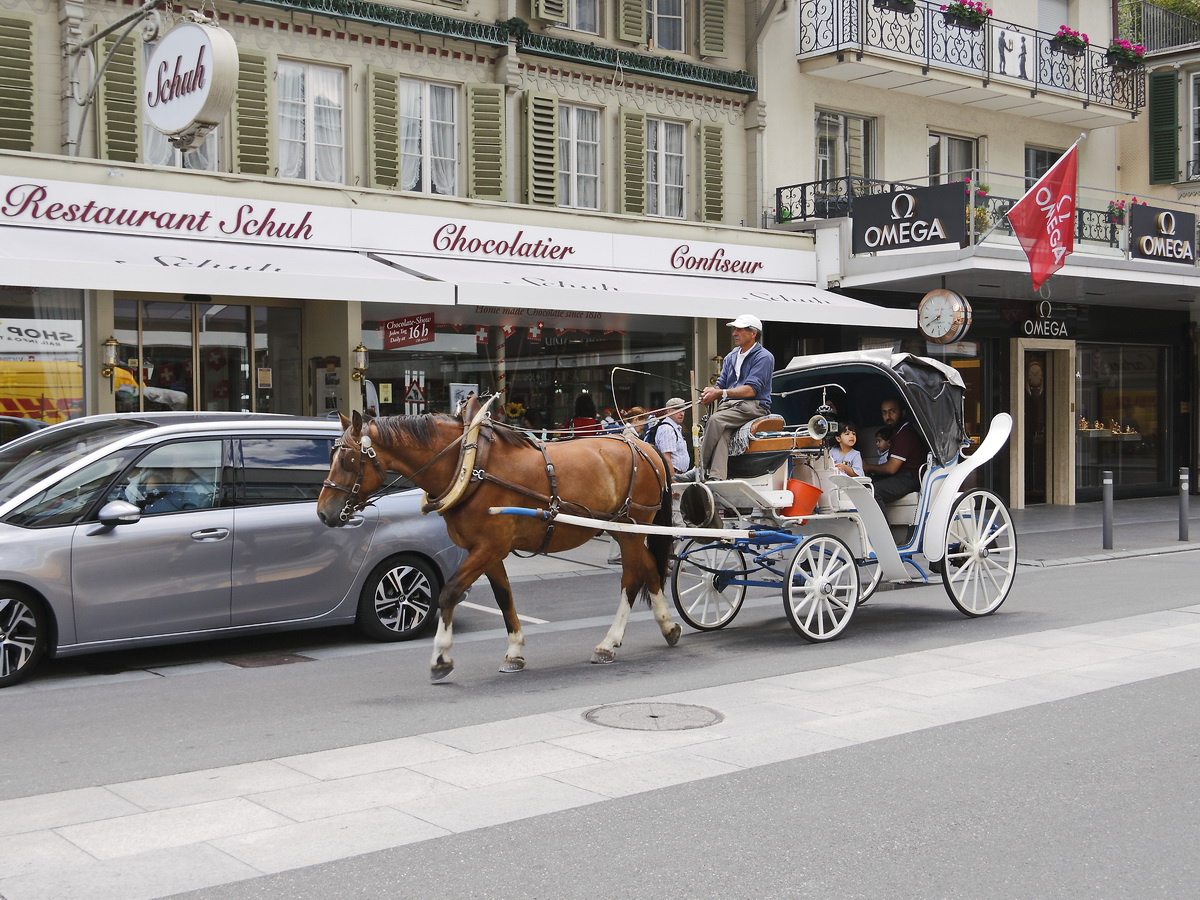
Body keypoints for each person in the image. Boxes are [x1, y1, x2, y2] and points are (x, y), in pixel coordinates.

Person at [695, 314, 775, 481]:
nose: (734, 333)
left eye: (739, 329)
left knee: (716, 421)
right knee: (723, 433)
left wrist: (721, 393)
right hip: (731, 407)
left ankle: (699, 467)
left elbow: (751, 390)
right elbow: (721, 383)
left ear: (753, 333)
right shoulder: (731, 356)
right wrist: (711, 391)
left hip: (754, 406)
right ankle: (717, 477)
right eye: (735, 329)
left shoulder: (764, 357)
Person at [862, 397, 928, 506]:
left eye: (892, 411)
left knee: (873, 491)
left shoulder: (905, 434)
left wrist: (868, 467)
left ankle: (880, 524)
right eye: (884, 413)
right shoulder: (897, 432)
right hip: (900, 476)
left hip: (910, 479)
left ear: (903, 412)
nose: (888, 417)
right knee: (861, 485)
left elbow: (891, 469)